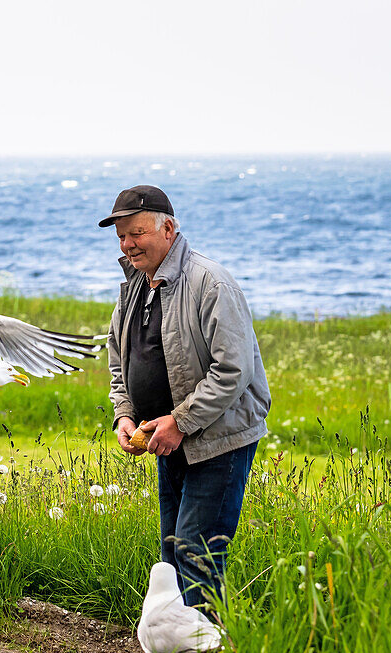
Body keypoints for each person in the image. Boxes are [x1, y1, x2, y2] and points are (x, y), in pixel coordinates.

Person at [101, 185, 271, 609]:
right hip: (166, 438)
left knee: (197, 554)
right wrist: (124, 414)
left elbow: (233, 370)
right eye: (121, 236)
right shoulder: (136, 284)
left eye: (136, 233)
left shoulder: (210, 282)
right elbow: (119, 359)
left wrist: (179, 422)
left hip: (218, 439)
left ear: (168, 228)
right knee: (172, 554)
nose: (127, 244)